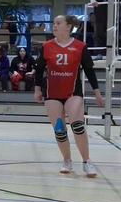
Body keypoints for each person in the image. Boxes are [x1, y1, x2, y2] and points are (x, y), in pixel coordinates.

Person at [34, 15, 104, 177]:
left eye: (58, 23)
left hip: (73, 93)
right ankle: (67, 160)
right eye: (54, 23)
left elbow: (89, 71)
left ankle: (87, 161)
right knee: (59, 130)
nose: (54, 26)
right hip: (52, 94)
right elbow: (39, 70)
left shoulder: (80, 46)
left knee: (77, 125)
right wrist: (37, 90)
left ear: (68, 27)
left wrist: (97, 93)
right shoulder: (47, 46)